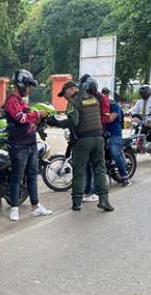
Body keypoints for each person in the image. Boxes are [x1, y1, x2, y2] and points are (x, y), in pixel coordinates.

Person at [49, 81, 114, 212]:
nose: (65, 97)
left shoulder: (73, 102)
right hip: (98, 138)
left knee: (79, 170)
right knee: (100, 169)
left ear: (73, 89)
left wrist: (56, 122)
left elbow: (74, 121)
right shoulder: (93, 99)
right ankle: (104, 200)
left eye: (65, 93)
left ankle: (77, 202)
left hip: (84, 140)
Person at [4, 69, 53, 221]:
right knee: (17, 177)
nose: (30, 89)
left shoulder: (20, 101)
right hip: (19, 145)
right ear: (21, 85)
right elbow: (21, 118)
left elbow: (27, 112)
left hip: (31, 143)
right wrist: (37, 115)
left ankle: (36, 206)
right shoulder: (12, 101)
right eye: (28, 86)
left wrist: (37, 113)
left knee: (32, 175)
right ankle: (14, 208)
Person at [78, 75, 111, 202]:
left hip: (99, 134)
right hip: (88, 135)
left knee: (95, 165)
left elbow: (106, 118)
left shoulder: (102, 99)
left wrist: (94, 121)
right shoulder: (87, 98)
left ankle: (95, 191)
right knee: (87, 165)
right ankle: (87, 190)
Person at [106, 95, 130, 187]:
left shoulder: (114, 106)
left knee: (115, 152)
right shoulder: (99, 107)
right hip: (102, 134)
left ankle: (125, 177)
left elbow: (111, 118)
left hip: (114, 134)